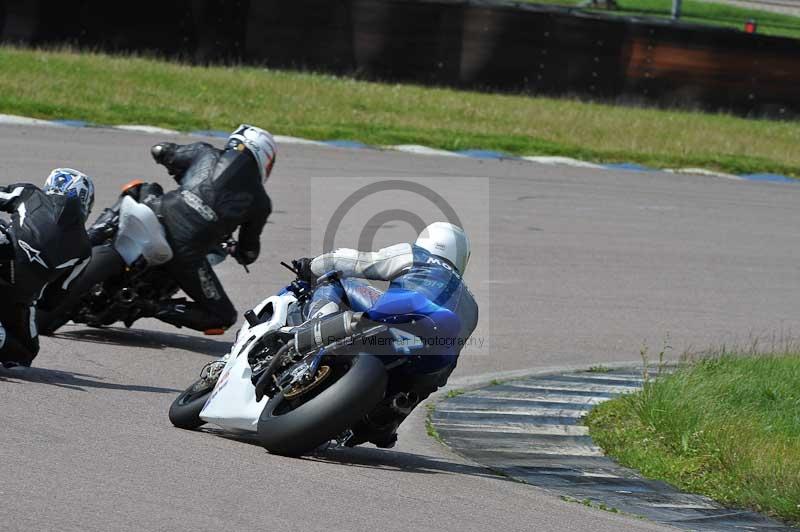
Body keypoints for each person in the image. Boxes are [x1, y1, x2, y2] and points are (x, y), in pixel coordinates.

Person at [293, 222, 478, 448]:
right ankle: (391, 416)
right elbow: (445, 372)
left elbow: (356, 262)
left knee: (336, 280)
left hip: (398, 316)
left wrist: (312, 266)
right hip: (430, 359)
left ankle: (310, 333)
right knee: (434, 377)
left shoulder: (416, 254)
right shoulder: (472, 305)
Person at [87, 124, 276, 334]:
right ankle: (148, 306)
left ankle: (88, 239)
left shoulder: (204, 152)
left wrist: (179, 172)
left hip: (160, 211)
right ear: (264, 156)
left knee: (142, 188)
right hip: (186, 253)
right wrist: (237, 251)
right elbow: (249, 252)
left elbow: (160, 150)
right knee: (223, 317)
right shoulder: (261, 202)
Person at [0, 168, 94, 367]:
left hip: (5, 260)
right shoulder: (85, 249)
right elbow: (54, 299)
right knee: (25, 353)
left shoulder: (30, 193)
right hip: (20, 296)